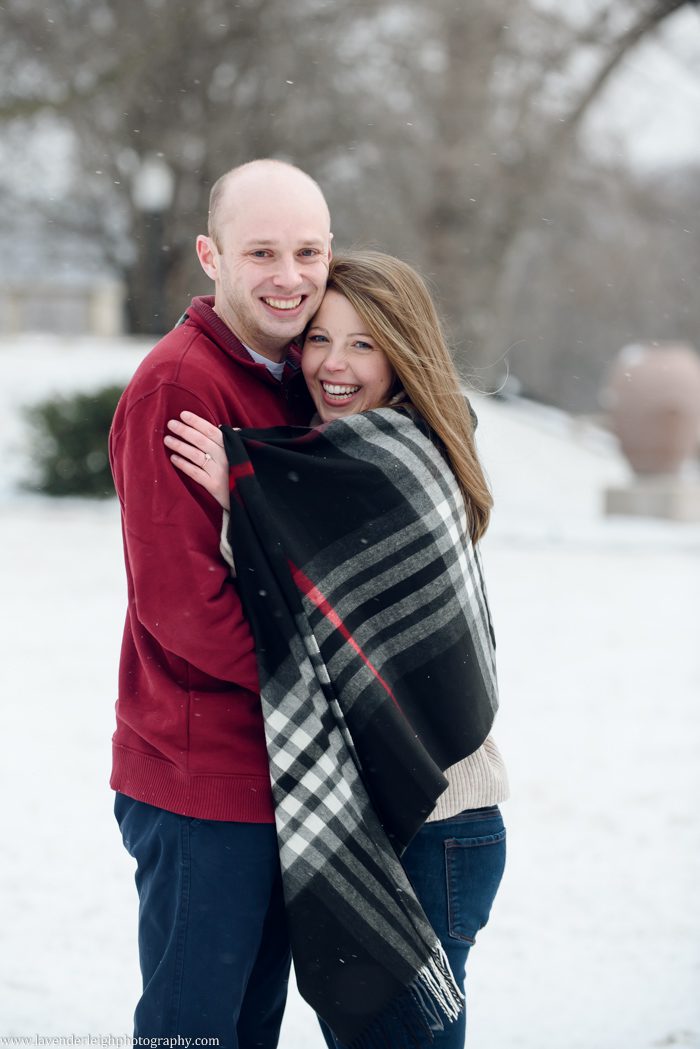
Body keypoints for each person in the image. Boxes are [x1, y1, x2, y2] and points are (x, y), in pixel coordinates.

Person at [164, 251, 509, 1049]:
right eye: (319, 339)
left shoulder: (404, 456)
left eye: (363, 343)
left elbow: (306, 588)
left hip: (437, 824)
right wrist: (256, 489)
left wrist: (244, 488)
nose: (334, 364)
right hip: (387, 820)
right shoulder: (318, 458)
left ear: (403, 350)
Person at [109, 159, 333, 1047]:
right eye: (263, 252)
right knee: (191, 1031)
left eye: (309, 250)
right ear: (211, 255)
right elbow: (185, 607)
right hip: (204, 778)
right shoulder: (180, 385)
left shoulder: (302, 377)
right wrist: (323, 682)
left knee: (252, 1027)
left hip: (284, 773)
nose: (290, 276)